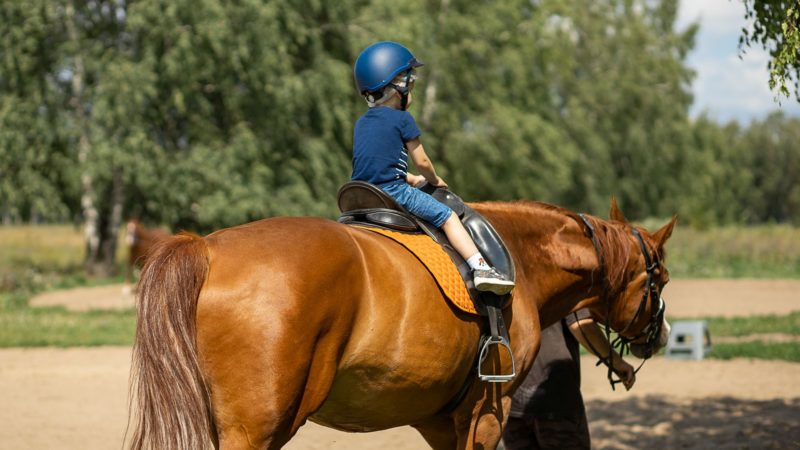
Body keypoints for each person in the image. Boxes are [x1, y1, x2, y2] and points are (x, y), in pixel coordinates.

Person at [351, 41, 514, 295]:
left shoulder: (361, 123)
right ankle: (481, 268)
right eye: (410, 82)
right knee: (448, 217)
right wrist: (434, 179)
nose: (411, 87)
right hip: (394, 192)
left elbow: (374, 163)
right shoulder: (403, 119)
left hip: (360, 192)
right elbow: (423, 161)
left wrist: (410, 178)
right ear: (397, 87)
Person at [498, 309, 636, 450]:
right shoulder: (559, 285)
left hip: (510, 397)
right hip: (556, 396)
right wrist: (617, 363)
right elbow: (581, 325)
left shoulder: (508, 287)